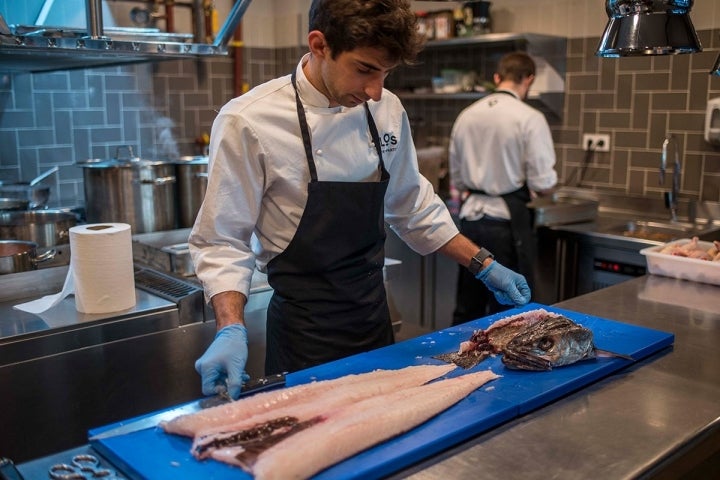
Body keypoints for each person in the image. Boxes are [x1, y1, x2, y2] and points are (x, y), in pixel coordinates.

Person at [188, 0, 531, 399]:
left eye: (386, 73)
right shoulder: (247, 120)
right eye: (365, 69)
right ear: (319, 45)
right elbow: (223, 239)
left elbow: (412, 204)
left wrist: (484, 264)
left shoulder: (386, 109)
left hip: (374, 321)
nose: (375, 91)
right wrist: (231, 328)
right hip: (304, 336)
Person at [449, 51, 558, 325]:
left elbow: (458, 178)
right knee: (510, 311)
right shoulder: (530, 117)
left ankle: (459, 358)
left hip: (471, 221)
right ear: (529, 79)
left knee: (468, 306)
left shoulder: (466, 115)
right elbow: (543, 183)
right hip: (506, 225)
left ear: (497, 78)